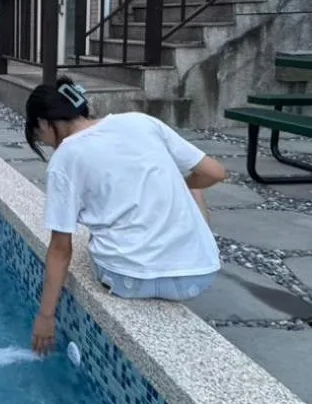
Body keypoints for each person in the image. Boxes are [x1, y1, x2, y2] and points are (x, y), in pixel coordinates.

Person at [26, 76, 225, 355]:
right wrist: (181, 186)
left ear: (46, 123)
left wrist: (45, 316)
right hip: (199, 276)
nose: (46, 143)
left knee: (97, 234)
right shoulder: (140, 121)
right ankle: (184, 248)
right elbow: (215, 173)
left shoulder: (65, 158)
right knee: (190, 185)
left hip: (130, 280)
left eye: (40, 136)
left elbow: (61, 249)